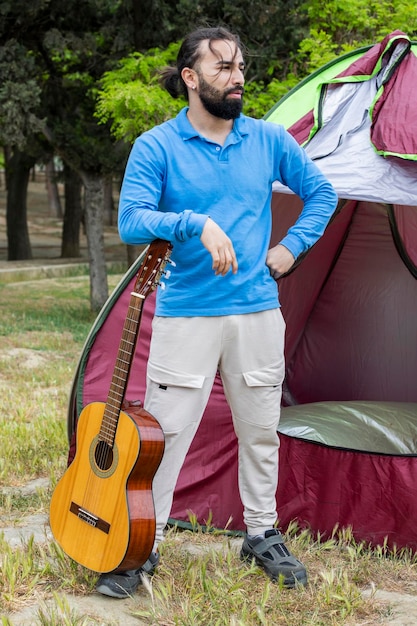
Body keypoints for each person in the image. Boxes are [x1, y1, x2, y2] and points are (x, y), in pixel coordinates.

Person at [96, 25, 338, 598]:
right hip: (187, 315)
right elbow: (131, 220)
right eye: (223, 68)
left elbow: (322, 194)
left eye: (241, 67)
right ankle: (141, 546)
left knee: (259, 430)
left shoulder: (270, 140)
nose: (237, 78)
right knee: (166, 434)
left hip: (257, 313)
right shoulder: (157, 146)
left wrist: (289, 248)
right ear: (190, 77)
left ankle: (261, 534)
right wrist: (194, 223)